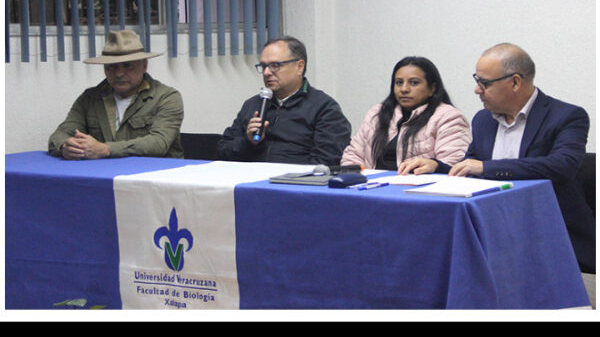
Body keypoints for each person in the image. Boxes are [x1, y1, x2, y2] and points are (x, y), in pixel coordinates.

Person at [399, 43, 595, 273]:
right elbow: (470, 168)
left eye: (484, 83)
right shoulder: (483, 120)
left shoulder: (566, 116)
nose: (477, 90)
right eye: (476, 80)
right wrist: (437, 166)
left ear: (515, 82)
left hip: (550, 235)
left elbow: (562, 165)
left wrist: (486, 168)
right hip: (492, 232)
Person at [48, 30, 184, 159]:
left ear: (144, 65)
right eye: (111, 67)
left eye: (127, 65)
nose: (119, 73)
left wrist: (106, 149)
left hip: (157, 175)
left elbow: (159, 143)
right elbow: (61, 134)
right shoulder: (90, 98)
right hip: (105, 175)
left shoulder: (166, 97)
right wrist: (66, 146)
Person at [217, 36, 351, 166]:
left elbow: (326, 162)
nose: (267, 72)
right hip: (249, 183)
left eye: (275, 65)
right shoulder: (253, 105)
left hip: (295, 185)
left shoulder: (324, 108)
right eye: (263, 66)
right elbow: (223, 153)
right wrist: (248, 141)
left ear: (299, 66)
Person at [341, 56, 471, 170]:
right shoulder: (377, 113)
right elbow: (353, 155)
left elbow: (453, 165)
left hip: (418, 192)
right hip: (371, 188)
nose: (404, 89)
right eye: (399, 83)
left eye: (414, 83)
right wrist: (354, 180)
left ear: (432, 88)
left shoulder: (448, 117)